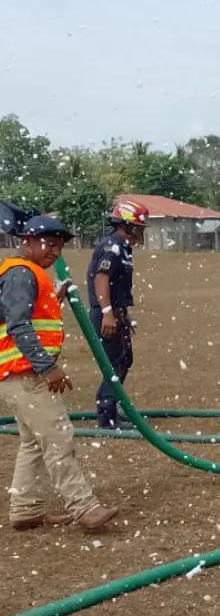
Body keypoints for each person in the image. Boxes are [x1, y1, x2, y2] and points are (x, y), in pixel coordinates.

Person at [0, 216, 119, 532]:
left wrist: (55, 296)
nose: (54, 251)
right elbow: (19, 325)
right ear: (25, 241)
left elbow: (23, 315)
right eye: (47, 244)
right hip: (26, 376)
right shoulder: (21, 273)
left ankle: (25, 509)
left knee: (33, 443)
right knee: (57, 437)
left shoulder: (26, 274)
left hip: (16, 376)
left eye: (58, 246)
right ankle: (84, 508)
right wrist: (47, 367)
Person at [87, 199, 149, 430]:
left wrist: (123, 315)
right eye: (137, 227)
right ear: (125, 224)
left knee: (123, 360)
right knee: (114, 363)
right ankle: (106, 415)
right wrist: (107, 314)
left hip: (115, 312)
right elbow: (101, 278)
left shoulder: (123, 247)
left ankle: (111, 410)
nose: (140, 232)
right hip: (106, 313)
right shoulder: (111, 247)